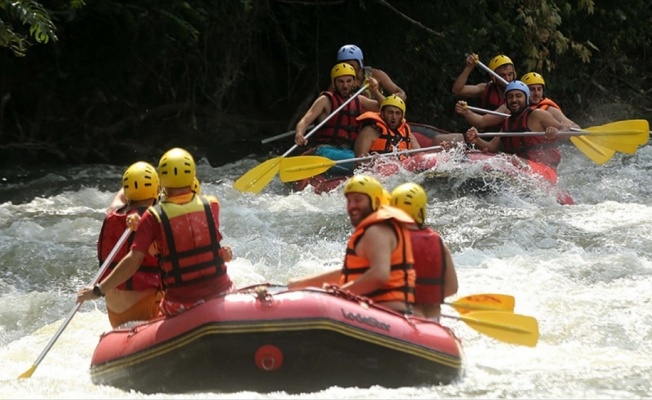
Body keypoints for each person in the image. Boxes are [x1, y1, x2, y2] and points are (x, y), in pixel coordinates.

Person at [78, 147, 235, 317]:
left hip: (119, 310)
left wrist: (98, 291)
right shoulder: (211, 206)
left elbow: (136, 258)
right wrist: (219, 254)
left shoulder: (144, 216)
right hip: (215, 295)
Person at [287, 175, 416, 314]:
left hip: (387, 313)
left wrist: (340, 293)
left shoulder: (377, 231)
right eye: (349, 201)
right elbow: (351, 273)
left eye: (358, 200)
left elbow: (379, 275)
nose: (352, 206)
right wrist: (301, 284)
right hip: (385, 311)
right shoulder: (380, 228)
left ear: (376, 201)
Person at [98, 161, 164, 328]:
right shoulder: (155, 221)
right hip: (146, 307)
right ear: (156, 191)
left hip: (114, 313)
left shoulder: (112, 213)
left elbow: (122, 195)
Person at [294, 63, 382, 175]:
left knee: (372, 162)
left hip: (349, 151)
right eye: (341, 81)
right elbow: (304, 121)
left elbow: (385, 107)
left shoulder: (359, 100)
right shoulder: (325, 100)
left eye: (349, 81)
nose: (345, 85)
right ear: (334, 83)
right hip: (326, 151)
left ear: (354, 82)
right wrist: (299, 134)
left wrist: (375, 91)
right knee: (366, 164)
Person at [464, 80, 570, 170]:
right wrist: (477, 140)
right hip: (522, 170)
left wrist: (556, 133)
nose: (514, 100)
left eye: (518, 96)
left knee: (504, 158)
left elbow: (566, 130)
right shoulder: (507, 123)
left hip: (545, 171)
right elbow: (492, 148)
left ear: (526, 98)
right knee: (498, 157)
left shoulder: (537, 114)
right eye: (510, 97)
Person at [390, 182, 458, 320]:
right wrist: (429, 296)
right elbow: (452, 287)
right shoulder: (439, 242)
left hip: (406, 317)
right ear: (420, 211)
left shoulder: (391, 242)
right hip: (433, 319)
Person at [354, 94, 421, 159]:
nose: (394, 117)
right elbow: (359, 162)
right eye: (390, 112)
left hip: (401, 168)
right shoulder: (368, 132)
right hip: (377, 168)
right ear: (382, 114)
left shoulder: (407, 133)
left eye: (397, 113)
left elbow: (419, 155)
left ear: (402, 116)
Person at [336, 44, 407, 101]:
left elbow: (400, 92)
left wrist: (398, 98)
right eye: (344, 66)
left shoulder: (376, 74)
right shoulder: (338, 80)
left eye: (351, 65)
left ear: (361, 62)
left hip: (375, 115)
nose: (348, 69)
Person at [452, 53, 516, 111]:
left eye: (510, 74)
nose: (507, 79)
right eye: (502, 75)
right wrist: (469, 67)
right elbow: (457, 90)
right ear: (493, 77)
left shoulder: (520, 93)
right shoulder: (485, 89)